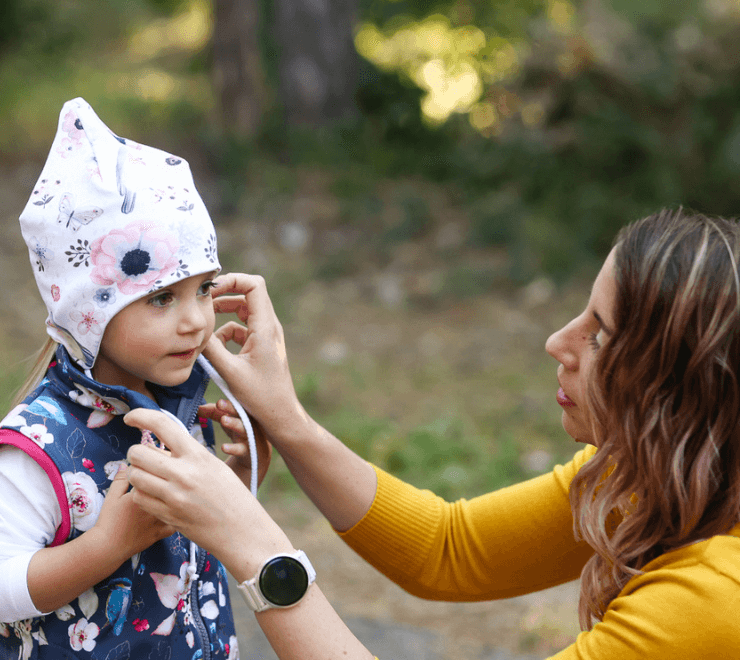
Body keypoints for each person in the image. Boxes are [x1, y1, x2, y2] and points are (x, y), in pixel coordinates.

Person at [121, 208, 740, 660]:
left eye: (600, 334)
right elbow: (447, 549)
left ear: (676, 387)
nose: (558, 342)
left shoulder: (712, 605)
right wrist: (287, 422)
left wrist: (258, 552)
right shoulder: (655, 476)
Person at [0, 97, 269, 660]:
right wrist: (108, 545)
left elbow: (197, 559)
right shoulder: (40, 447)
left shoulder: (177, 412)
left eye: (204, 288)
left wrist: (238, 479)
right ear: (89, 313)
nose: (198, 319)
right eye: (161, 298)